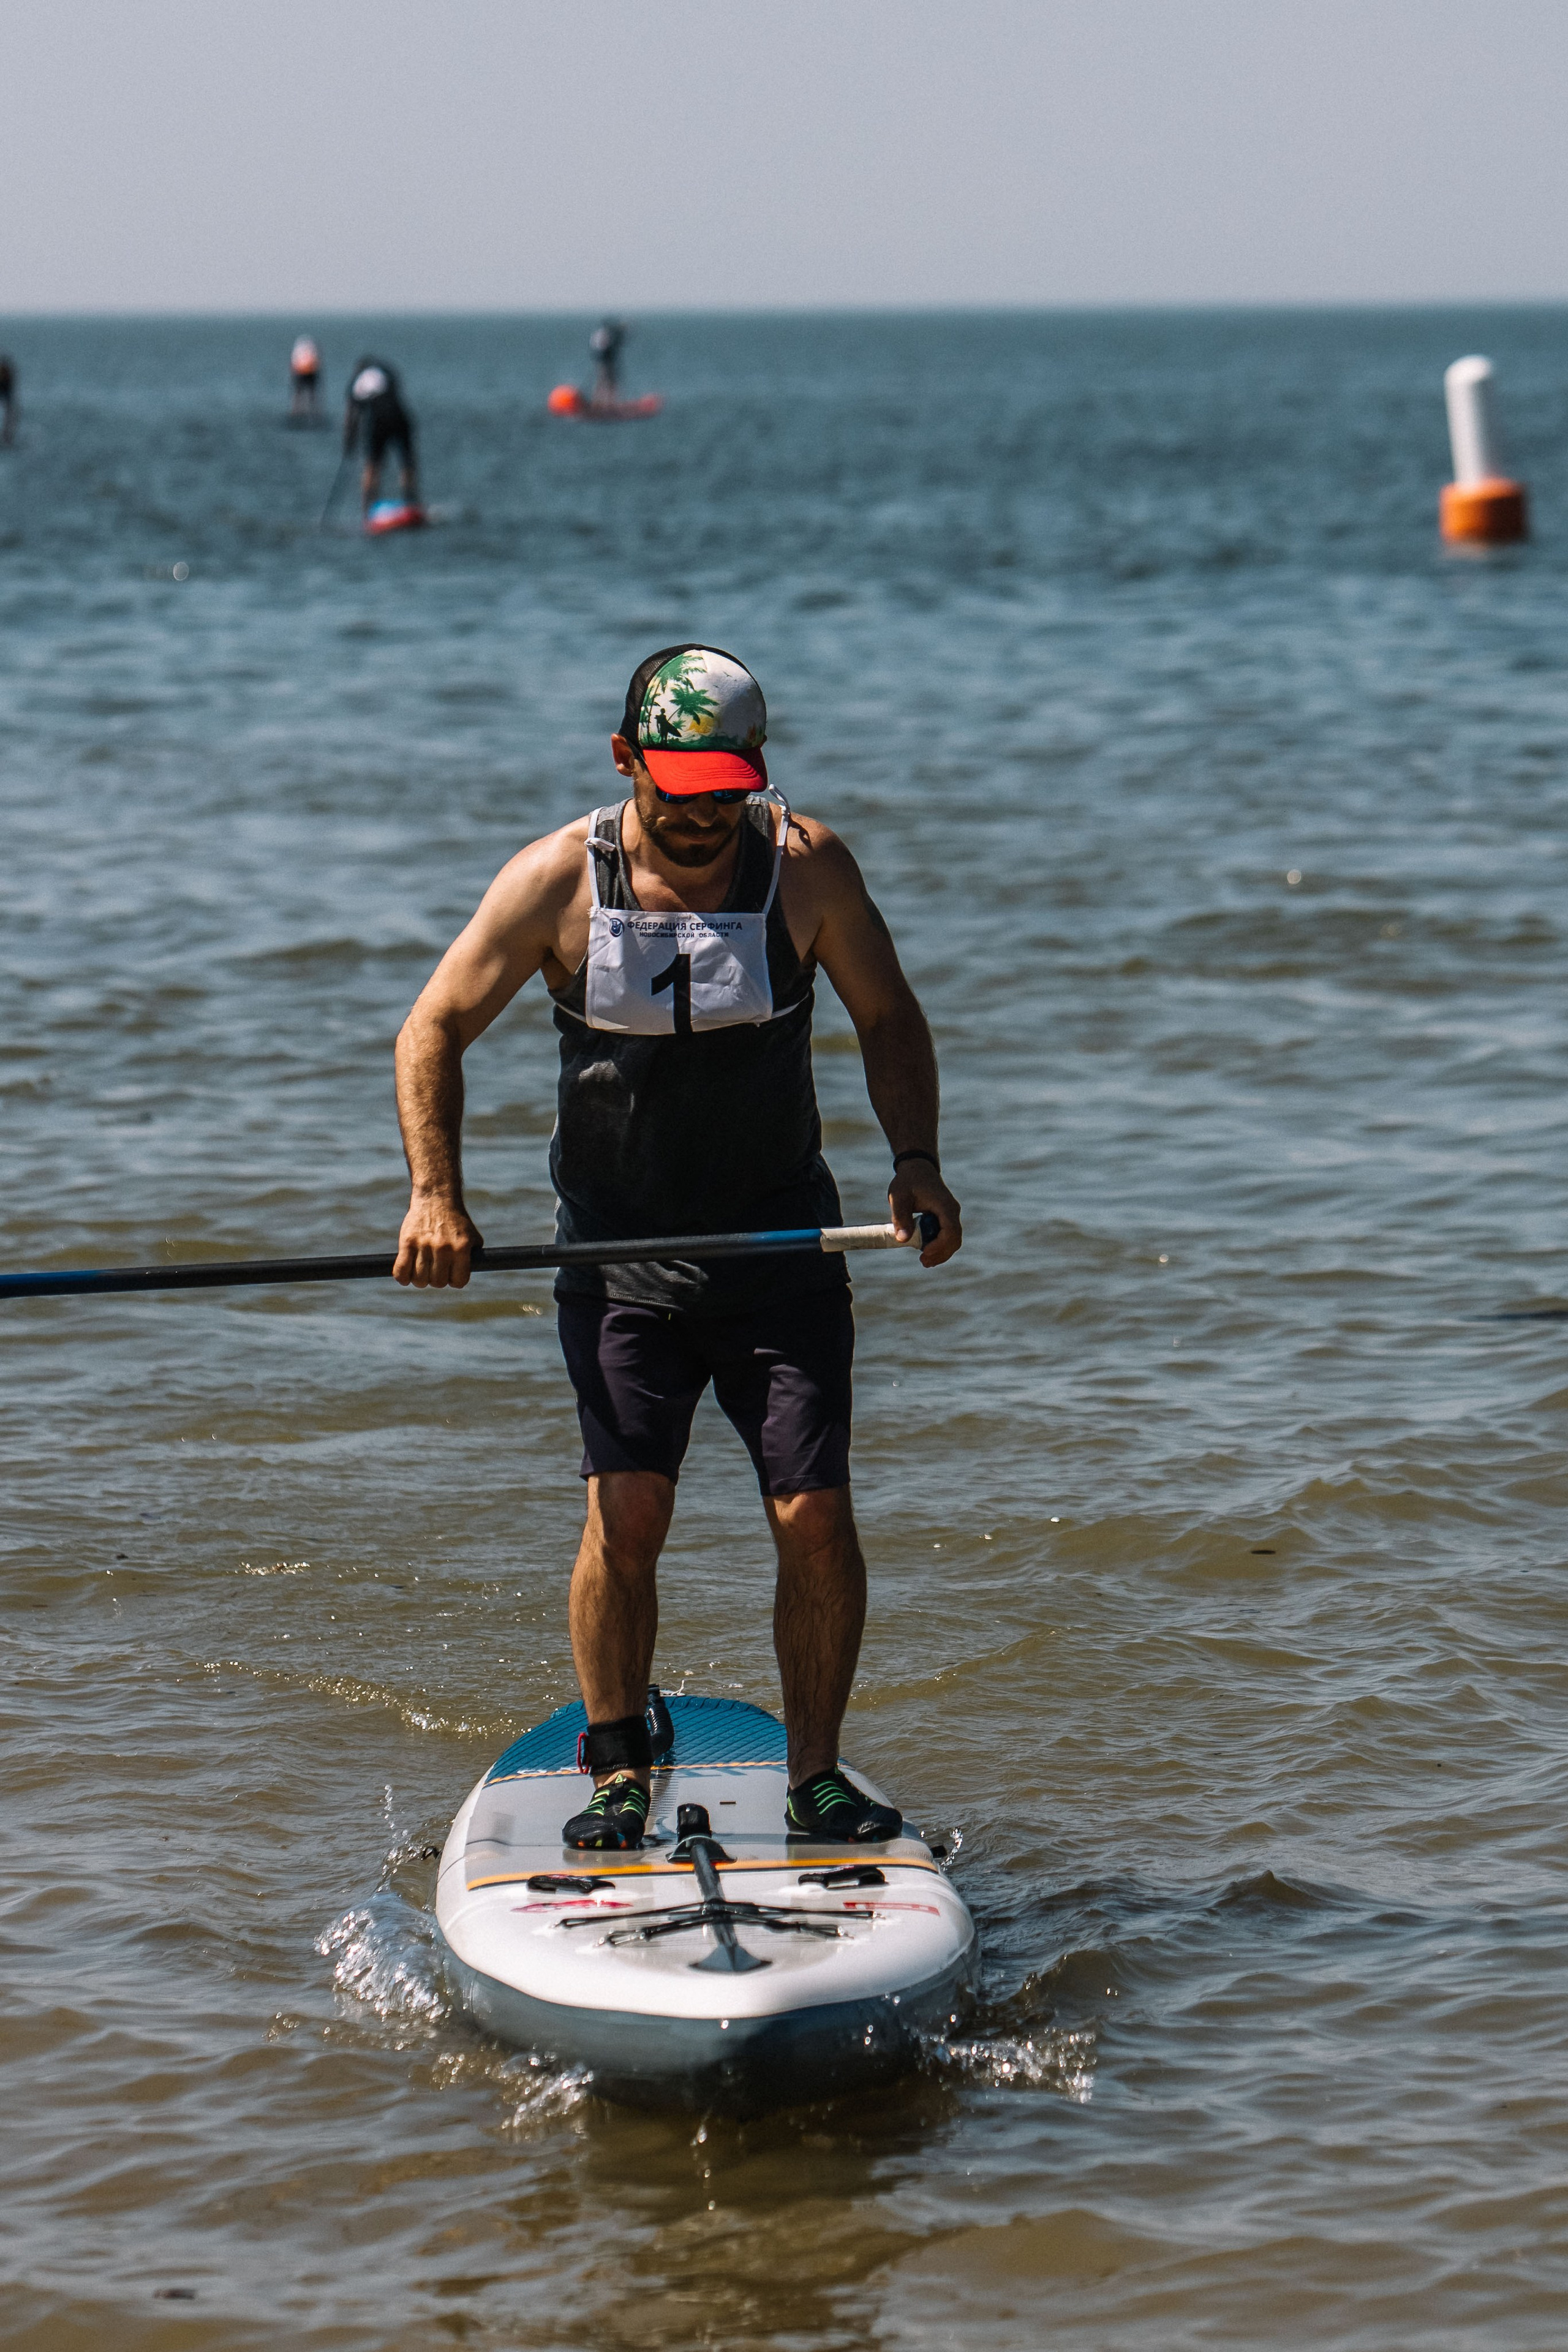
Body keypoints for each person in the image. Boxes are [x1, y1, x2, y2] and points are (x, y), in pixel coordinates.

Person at [393, 645, 962, 1852]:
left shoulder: (805, 871)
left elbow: (887, 1015)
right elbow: (432, 1027)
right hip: (617, 1264)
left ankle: (813, 1776)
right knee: (627, 1513)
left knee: (813, 1517)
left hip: (779, 1251)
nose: (704, 816)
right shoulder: (557, 880)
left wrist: (911, 1160)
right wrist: (435, 1196)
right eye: (678, 788)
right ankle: (613, 1764)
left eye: (727, 788)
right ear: (622, 760)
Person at [343, 356, 418, 514]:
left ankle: (368, 509)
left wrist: (349, 443)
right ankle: (411, 502)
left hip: (378, 419)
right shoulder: (386, 371)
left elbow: (352, 418)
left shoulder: (356, 383)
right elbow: (398, 390)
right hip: (400, 415)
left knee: (372, 465)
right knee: (407, 462)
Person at [589, 318, 627, 405]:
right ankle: (605, 402)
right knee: (607, 381)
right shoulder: (604, 336)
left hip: (605, 361)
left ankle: (605, 401)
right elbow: (605, 347)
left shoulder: (599, 335)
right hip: (605, 362)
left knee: (605, 380)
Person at [288, 336, 322, 422]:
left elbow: (293, 363)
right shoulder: (311, 349)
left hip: (306, 373)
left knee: (305, 394)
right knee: (303, 395)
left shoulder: (300, 349)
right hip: (305, 373)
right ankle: (301, 412)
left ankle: (301, 412)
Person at [0, 354, 15, 448]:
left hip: (6, 387)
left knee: (10, 411)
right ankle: (6, 436)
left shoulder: (6, 370)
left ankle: (7, 436)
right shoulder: (6, 369)